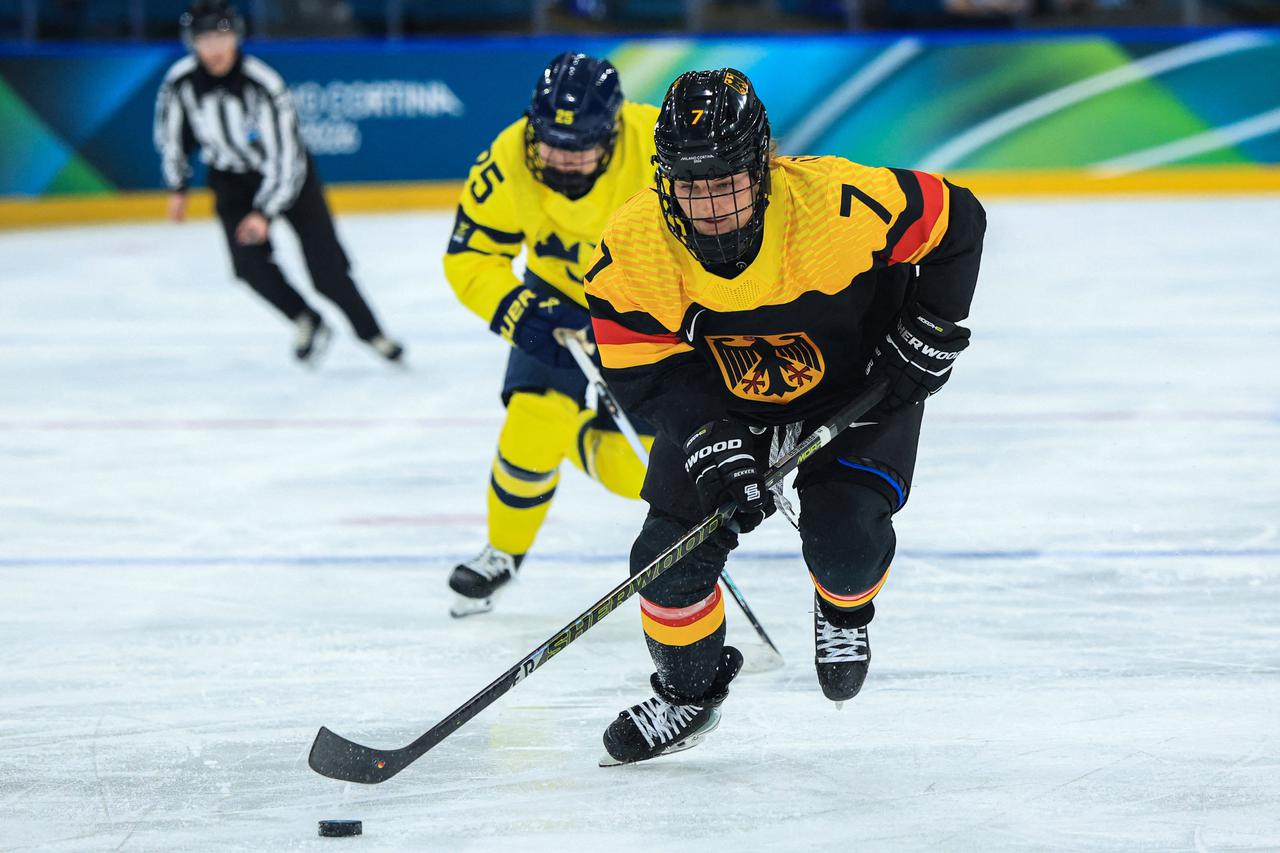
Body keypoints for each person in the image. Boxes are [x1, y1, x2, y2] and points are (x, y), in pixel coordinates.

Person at [584, 68, 986, 764]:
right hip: (726, 400)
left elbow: (959, 220)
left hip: (857, 384)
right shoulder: (635, 245)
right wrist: (708, 439)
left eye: (726, 182)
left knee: (846, 548)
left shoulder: (836, 205)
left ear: (762, 165)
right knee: (665, 563)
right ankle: (687, 694)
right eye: (690, 185)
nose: (710, 207)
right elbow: (642, 367)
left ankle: (844, 608)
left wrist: (931, 327)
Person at [442, 53, 660, 617]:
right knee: (532, 422)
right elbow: (470, 255)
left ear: (612, 131)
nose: (562, 157)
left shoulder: (658, 145)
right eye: (551, 142)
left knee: (638, 470)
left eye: (580, 144)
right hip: (555, 303)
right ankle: (503, 552)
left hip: (647, 310)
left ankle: (575, 438)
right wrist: (520, 313)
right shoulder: (508, 155)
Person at [153, 0, 403, 366]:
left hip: (291, 180)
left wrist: (264, 213)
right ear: (192, 43)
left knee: (327, 273)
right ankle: (306, 319)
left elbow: (287, 159)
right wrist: (178, 187)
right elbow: (172, 137)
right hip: (230, 182)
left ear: (237, 37)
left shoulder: (264, 84)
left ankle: (373, 333)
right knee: (249, 267)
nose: (215, 48)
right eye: (205, 39)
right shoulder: (179, 83)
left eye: (222, 37)